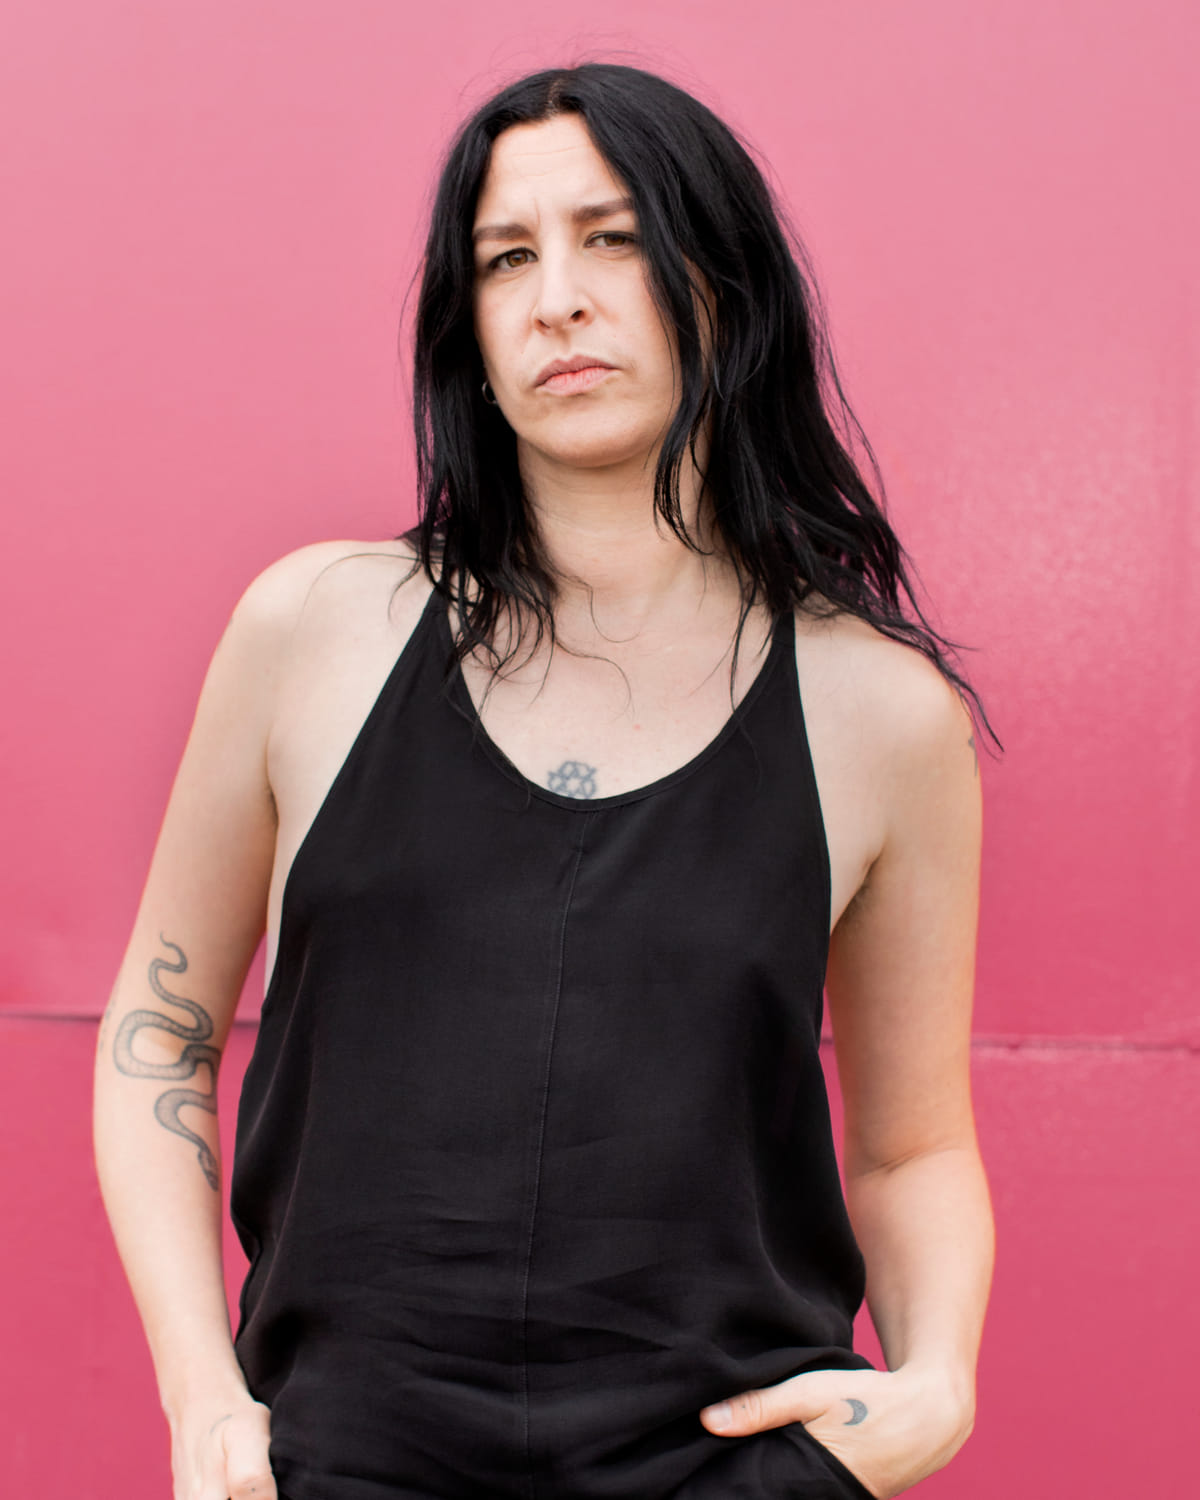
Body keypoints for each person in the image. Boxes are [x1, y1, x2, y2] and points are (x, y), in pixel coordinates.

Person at [93, 62, 995, 1500]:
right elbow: (161, 1032)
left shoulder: (881, 713)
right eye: (505, 257)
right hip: (337, 1470)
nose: (555, 299)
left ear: (727, 281)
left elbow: (911, 1147)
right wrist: (204, 1402)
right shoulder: (315, 630)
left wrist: (937, 1383)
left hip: (725, 1476)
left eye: (612, 236)